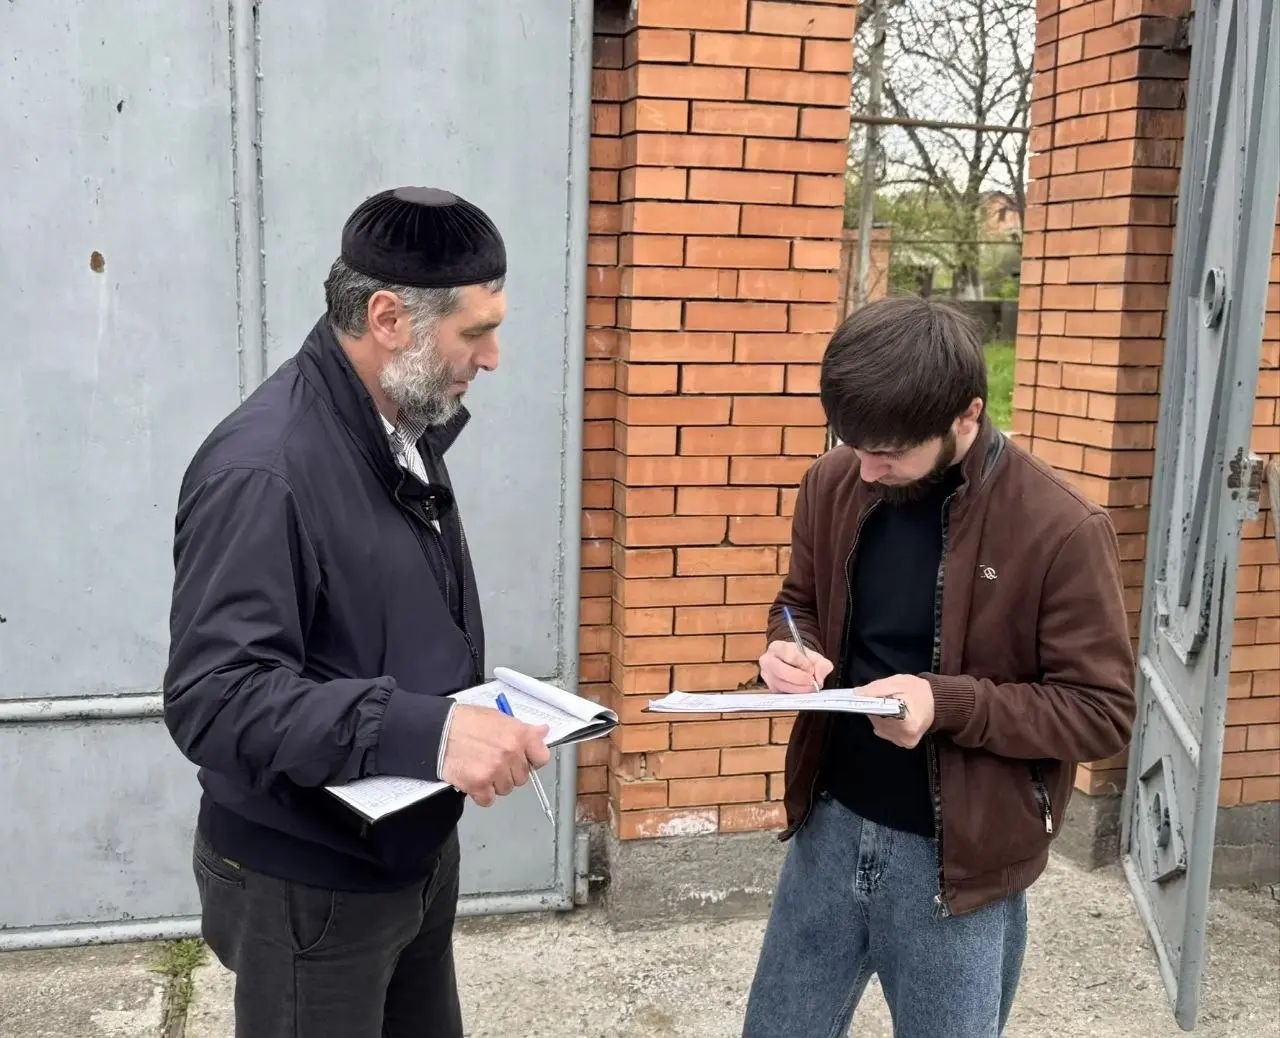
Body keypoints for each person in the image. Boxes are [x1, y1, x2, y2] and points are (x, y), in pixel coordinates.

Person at [163, 187, 550, 1038]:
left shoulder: (400, 423)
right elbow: (214, 699)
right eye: (476, 332)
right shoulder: (264, 470)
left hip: (409, 849)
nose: (493, 358)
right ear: (388, 319)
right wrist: (430, 732)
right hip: (308, 884)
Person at [742, 297, 1136, 1037]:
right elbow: (798, 602)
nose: (866, 468)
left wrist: (944, 704)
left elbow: (1100, 711)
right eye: (852, 444)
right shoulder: (834, 482)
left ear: (967, 415)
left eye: (888, 452)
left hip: (957, 865)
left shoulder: (1060, 527)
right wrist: (788, 646)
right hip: (828, 827)